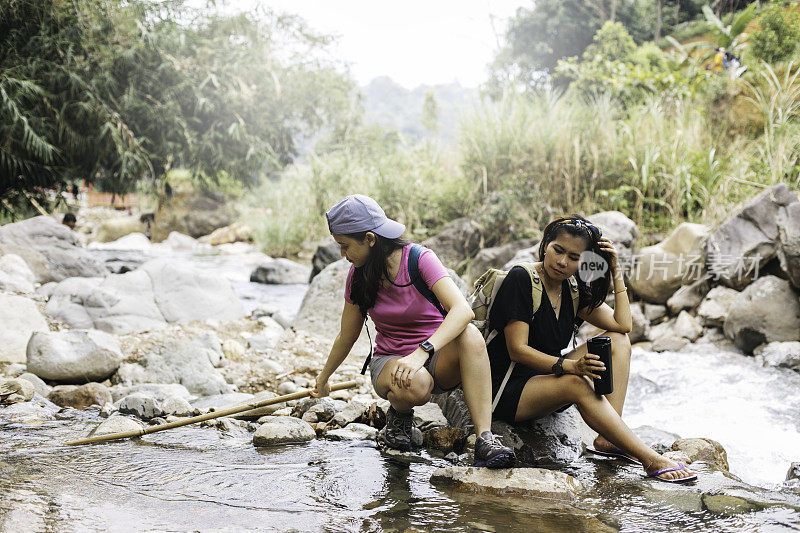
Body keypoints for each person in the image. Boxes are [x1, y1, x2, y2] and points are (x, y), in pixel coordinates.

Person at [487, 215, 696, 482]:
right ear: (545, 245)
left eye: (574, 258)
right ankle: (651, 460)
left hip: (545, 380)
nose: (562, 262)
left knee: (618, 342)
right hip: (505, 389)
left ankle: (609, 438)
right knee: (576, 382)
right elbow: (517, 350)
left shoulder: (573, 290)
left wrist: (615, 271)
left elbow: (623, 325)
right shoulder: (522, 278)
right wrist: (571, 366)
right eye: (558, 250)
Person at [311, 194, 515, 467]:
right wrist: (324, 378)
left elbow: (462, 310)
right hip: (390, 362)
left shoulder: (419, 259)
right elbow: (347, 335)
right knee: (416, 384)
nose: (342, 255)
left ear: (370, 239)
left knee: (470, 334)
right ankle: (400, 416)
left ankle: (484, 439)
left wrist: (423, 351)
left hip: (436, 355)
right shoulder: (358, 276)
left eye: (345, 246)